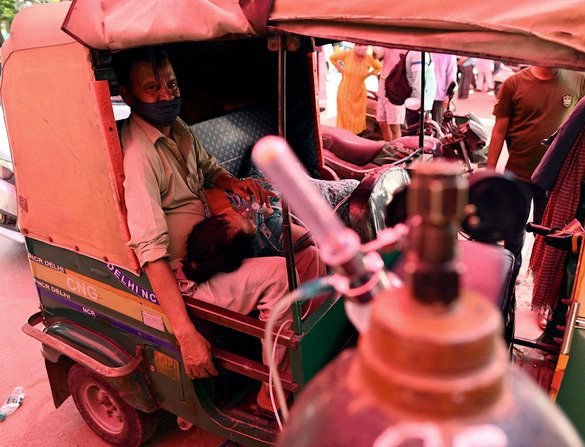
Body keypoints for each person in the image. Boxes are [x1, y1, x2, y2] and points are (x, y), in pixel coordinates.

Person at [112, 47, 326, 410]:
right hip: (190, 274)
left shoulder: (176, 127)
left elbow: (208, 167)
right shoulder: (138, 156)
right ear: (130, 96)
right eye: (152, 88)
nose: (166, 94)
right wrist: (186, 335)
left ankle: (306, 357)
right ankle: (271, 396)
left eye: (171, 83)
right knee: (280, 276)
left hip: (216, 245)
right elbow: (151, 253)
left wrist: (232, 183)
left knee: (310, 256)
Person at [487, 66, 585, 282]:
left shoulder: (580, 80)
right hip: (518, 172)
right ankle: (511, 272)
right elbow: (499, 130)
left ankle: (540, 276)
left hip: (555, 175)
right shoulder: (513, 84)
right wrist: (490, 171)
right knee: (514, 228)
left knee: (548, 232)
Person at [181, 186, 314, 283]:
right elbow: (313, 239)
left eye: (234, 213)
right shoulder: (270, 234)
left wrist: (231, 190)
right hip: (296, 193)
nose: (245, 211)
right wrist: (270, 214)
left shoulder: (212, 204)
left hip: (259, 175)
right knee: (312, 252)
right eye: (246, 221)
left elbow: (211, 185)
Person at [329, 44, 382, 135]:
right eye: (359, 45)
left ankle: (356, 138)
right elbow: (332, 58)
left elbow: (379, 67)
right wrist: (341, 69)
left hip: (359, 93)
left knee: (358, 117)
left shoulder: (369, 58)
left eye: (364, 45)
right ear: (355, 45)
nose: (361, 47)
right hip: (345, 91)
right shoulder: (347, 54)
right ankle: (344, 137)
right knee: (344, 117)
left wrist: (370, 74)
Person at [373, 46, 407, 142]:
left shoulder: (407, 49)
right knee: (382, 123)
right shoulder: (387, 47)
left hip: (396, 93)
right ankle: (388, 148)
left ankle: (396, 152)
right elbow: (376, 55)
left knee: (394, 127)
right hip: (382, 92)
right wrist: (374, 48)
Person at [404, 50, 436, 127]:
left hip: (420, 105)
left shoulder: (421, 53)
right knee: (417, 136)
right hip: (419, 106)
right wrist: (422, 107)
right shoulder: (419, 54)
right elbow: (418, 81)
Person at [432, 52, 458, 125]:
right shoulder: (427, 52)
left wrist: (448, 95)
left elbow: (452, 78)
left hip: (439, 96)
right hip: (423, 96)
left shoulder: (449, 55)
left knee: (437, 125)